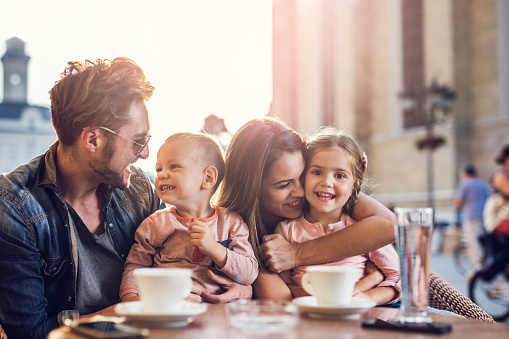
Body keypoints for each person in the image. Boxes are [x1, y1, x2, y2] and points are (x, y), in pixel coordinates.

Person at [0, 58, 250, 339]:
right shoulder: (14, 208)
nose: (144, 154)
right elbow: (29, 334)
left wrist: (241, 288)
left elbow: (181, 262)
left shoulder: (139, 187)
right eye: (137, 140)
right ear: (93, 140)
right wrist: (129, 309)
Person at [217, 117, 396, 300]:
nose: (301, 191)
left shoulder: (326, 199)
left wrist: (297, 254)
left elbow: (390, 225)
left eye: (303, 176)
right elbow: (280, 297)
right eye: (284, 185)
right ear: (252, 189)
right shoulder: (238, 233)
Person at [120, 133, 258, 301]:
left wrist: (215, 249)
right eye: (159, 169)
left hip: (218, 316)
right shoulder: (155, 224)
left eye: (174, 166)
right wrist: (130, 298)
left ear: (208, 178)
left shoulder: (231, 223)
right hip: (170, 313)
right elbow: (136, 267)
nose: (162, 174)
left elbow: (249, 274)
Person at [274, 128, 400, 305]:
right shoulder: (287, 231)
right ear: (302, 176)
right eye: (317, 172)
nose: (327, 182)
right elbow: (284, 286)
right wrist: (330, 296)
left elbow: (395, 278)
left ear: (355, 182)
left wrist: (367, 297)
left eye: (340, 175)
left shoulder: (363, 228)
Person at [454, 164, 490, 270]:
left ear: (465, 174)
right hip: (485, 217)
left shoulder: (465, 183)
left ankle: (477, 268)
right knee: (482, 242)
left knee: (473, 243)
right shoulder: (482, 183)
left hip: (471, 217)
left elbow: (458, 201)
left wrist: (457, 211)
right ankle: (484, 263)